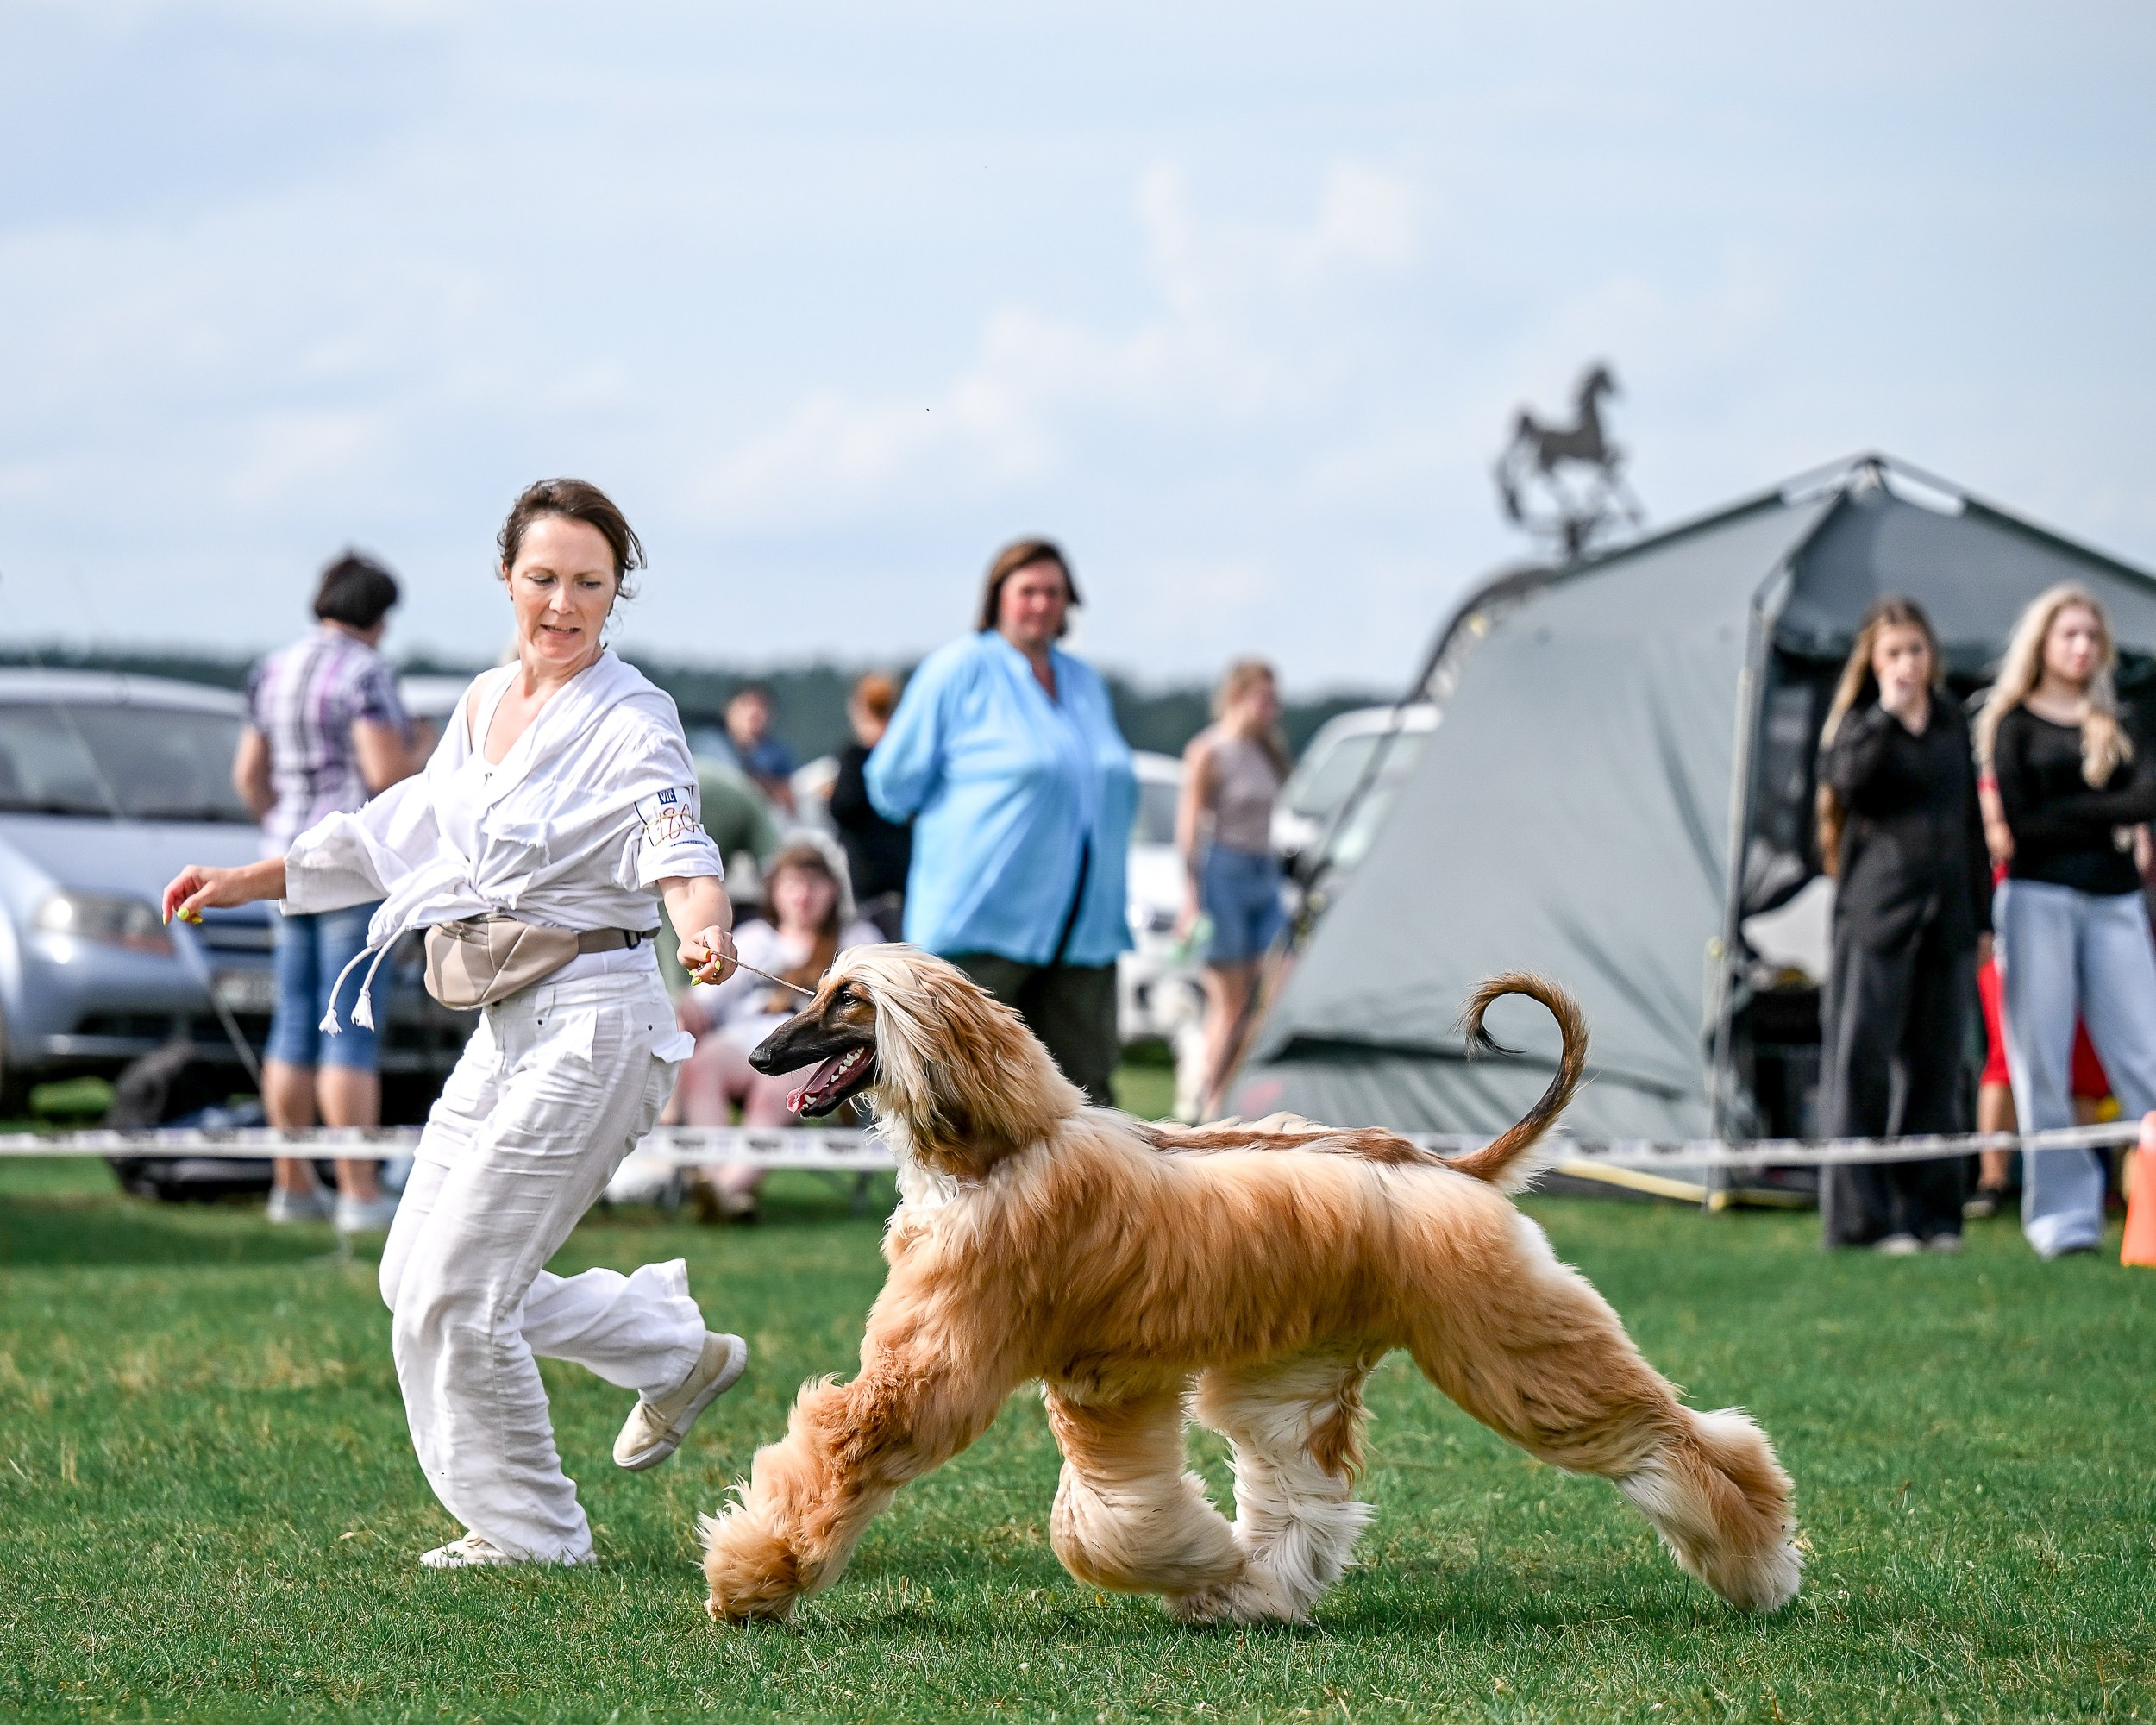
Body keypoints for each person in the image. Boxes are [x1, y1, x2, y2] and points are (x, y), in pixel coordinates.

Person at [161, 478, 748, 1570]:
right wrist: (250, 878)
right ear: (506, 577)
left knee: (454, 1292)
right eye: (543, 578)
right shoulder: (481, 702)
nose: (563, 603)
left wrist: (704, 928)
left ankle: (533, 1533)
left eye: (589, 583)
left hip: (597, 1028)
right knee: (411, 1279)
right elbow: (396, 831)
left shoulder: (636, 718)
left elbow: (680, 849)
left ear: (616, 591)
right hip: (506, 1022)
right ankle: (671, 1349)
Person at [867, 537, 1137, 1106]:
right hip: (979, 924)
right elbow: (893, 783)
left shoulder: (1084, 682)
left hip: (1083, 933)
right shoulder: (959, 670)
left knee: (1087, 1102)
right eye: (1028, 591)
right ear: (997, 598)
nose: (1042, 604)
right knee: (960, 1098)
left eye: (1054, 593)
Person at [234, 552, 421, 1232]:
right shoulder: (365, 673)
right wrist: (423, 752)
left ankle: (293, 1184)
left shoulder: (273, 668)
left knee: (292, 1022)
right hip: (348, 866)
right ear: (377, 616)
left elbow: (249, 776)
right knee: (347, 1026)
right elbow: (384, 772)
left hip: (285, 859)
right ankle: (358, 1190)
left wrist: (280, 831)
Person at [1978, 584, 2156, 1258]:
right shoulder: (2012, 723)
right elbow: (2022, 824)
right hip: (2035, 901)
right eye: (2069, 634)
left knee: (2145, 1056)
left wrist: (2069, 814)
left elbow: (2146, 799)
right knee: (2040, 1065)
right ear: (2043, 643)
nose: (2082, 647)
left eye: (2091, 636)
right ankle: (2063, 1223)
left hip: (2116, 903)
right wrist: (2105, 816)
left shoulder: (2121, 719)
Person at [1814, 597, 1990, 1252]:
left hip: (1948, 923)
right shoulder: (1861, 727)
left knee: (1938, 1070)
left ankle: (1933, 1215)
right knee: (1862, 1066)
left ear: (1932, 654)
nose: (1907, 663)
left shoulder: (1951, 722)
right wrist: (1886, 716)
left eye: (1916, 649)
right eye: (1893, 653)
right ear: (1874, 661)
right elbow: (1845, 782)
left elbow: (1970, 824)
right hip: (1877, 919)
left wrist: (1982, 918)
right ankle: (1862, 1221)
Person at [667, 836, 882, 1220]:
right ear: (774, 891)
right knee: (701, 1065)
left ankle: (725, 1188)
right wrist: (682, 1005)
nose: (803, 896)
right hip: (743, 1039)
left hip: (816, 1048)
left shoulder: (856, 941)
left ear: (833, 890)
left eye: (814, 884)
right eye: (792, 884)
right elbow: (701, 1005)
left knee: (779, 1088)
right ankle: (722, 1186)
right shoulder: (752, 939)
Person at [1175, 659, 1289, 1117]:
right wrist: (1191, 898)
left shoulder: (1265, 750)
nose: (1273, 708)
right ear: (1240, 695)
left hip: (1265, 871)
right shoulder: (1209, 750)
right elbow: (1189, 827)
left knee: (1280, 981)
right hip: (1224, 871)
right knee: (1232, 1002)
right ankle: (1211, 1101)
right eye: (1265, 698)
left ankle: (1230, 1083)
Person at [827, 671, 912, 940]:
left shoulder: (856, 756)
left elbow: (843, 807)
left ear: (859, 708)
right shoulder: (905, 755)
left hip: (868, 873)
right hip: (907, 869)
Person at [724, 684, 796, 813]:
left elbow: (789, 801)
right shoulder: (713, 745)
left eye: (761, 706)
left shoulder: (777, 754)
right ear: (730, 710)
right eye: (746, 704)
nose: (754, 712)